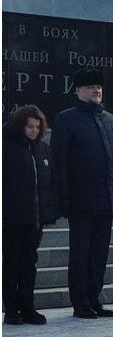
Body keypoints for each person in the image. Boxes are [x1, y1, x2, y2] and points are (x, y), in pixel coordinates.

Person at [51, 68, 113, 319]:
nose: (96, 90)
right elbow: (59, 162)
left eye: (98, 87)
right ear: (77, 91)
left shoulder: (112, 121)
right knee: (81, 253)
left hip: (107, 199)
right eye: (89, 87)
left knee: (99, 253)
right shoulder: (66, 119)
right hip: (80, 200)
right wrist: (62, 198)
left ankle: (94, 298)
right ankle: (80, 302)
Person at [2, 105, 59, 325]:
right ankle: (11, 309)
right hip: (12, 218)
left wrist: (49, 213)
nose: (34, 130)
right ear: (20, 126)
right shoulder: (6, 147)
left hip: (35, 219)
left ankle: (28, 306)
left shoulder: (43, 150)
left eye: (37, 126)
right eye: (29, 126)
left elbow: (49, 183)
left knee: (29, 262)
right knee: (11, 263)